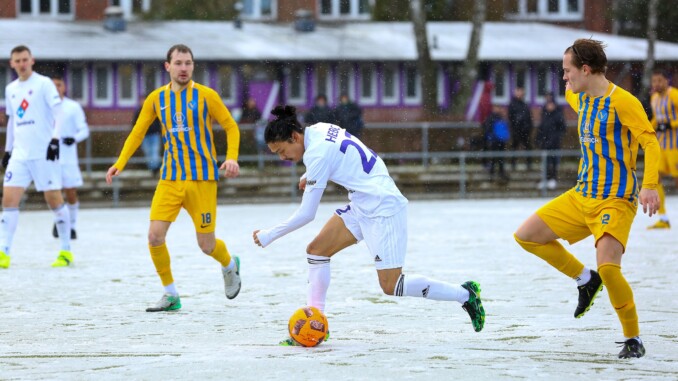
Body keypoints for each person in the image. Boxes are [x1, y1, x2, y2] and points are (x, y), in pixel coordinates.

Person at [253, 105, 485, 346]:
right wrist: (309, 176)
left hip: (383, 208)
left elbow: (307, 214)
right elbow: (343, 155)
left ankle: (465, 294)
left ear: (294, 137)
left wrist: (270, 234)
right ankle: (316, 323)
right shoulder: (319, 130)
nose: (282, 158)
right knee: (317, 251)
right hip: (363, 201)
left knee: (392, 285)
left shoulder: (317, 154)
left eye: (282, 151)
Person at [514, 38, 660, 359]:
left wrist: (649, 185)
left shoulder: (623, 102)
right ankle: (585, 280)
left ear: (585, 68)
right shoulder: (577, 98)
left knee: (609, 267)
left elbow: (650, 142)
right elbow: (570, 93)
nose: (564, 78)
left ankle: (633, 338)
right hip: (581, 195)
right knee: (526, 236)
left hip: (616, 199)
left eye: (567, 71)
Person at [105, 44, 242, 312]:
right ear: (167, 66)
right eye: (178, 63)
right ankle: (170, 294)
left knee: (206, 245)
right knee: (155, 236)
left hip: (202, 179)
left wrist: (232, 156)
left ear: (193, 66)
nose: (183, 68)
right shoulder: (156, 99)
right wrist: (120, 163)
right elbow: (138, 132)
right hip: (169, 178)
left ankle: (229, 264)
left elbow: (230, 125)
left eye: (188, 63)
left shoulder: (206, 95)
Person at [0, 45, 73, 268]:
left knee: (54, 201)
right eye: (17, 61)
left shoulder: (43, 84)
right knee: (8, 200)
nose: (21, 64)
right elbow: (12, 120)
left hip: (43, 153)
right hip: (20, 155)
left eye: (25, 59)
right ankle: (4, 252)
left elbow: (58, 111)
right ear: (11, 64)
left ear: (32, 60)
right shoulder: (11, 88)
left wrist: (55, 139)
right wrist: (8, 149)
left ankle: (65, 251)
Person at [50, 75, 90, 240]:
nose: (56, 88)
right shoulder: (46, 107)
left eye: (59, 85)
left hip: (68, 159)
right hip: (50, 158)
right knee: (53, 193)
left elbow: (84, 130)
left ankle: (72, 225)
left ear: (64, 87)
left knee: (70, 192)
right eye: (53, 86)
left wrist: (72, 138)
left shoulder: (73, 107)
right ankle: (59, 221)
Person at [647, 69, 678, 229]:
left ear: (667, 81)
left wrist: (671, 125)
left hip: (675, 147)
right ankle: (663, 218)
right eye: (654, 81)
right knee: (655, 178)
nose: (656, 84)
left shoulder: (674, 95)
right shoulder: (654, 98)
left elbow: (668, 121)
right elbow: (656, 119)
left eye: (659, 80)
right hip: (661, 146)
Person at [535, 92, 567, 190]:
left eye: (551, 104)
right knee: (545, 163)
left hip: (554, 143)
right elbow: (541, 128)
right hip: (545, 143)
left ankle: (553, 179)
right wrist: (538, 139)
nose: (549, 106)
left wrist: (556, 138)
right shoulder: (544, 114)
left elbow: (563, 129)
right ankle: (545, 179)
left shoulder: (558, 115)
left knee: (554, 162)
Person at [132, 96, 162, 176]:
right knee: (148, 152)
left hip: (154, 134)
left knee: (154, 150)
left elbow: (158, 121)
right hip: (145, 135)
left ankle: (155, 167)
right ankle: (153, 167)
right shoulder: (138, 111)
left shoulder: (153, 110)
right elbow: (135, 123)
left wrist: (159, 130)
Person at [508, 87, 534, 170]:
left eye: (521, 92)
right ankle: (513, 164)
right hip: (516, 130)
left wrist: (528, 126)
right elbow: (511, 118)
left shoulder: (524, 104)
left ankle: (529, 164)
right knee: (514, 147)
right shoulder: (512, 104)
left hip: (525, 130)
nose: (520, 93)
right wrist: (515, 126)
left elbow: (528, 117)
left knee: (527, 147)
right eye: (518, 91)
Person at [482, 104, 510, 182]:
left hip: (498, 141)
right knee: (496, 158)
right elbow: (488, 129)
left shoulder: (499, 117)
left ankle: (497, 173)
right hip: (496, 141)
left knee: (498, 158)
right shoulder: (493, 118)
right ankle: (495, 174)